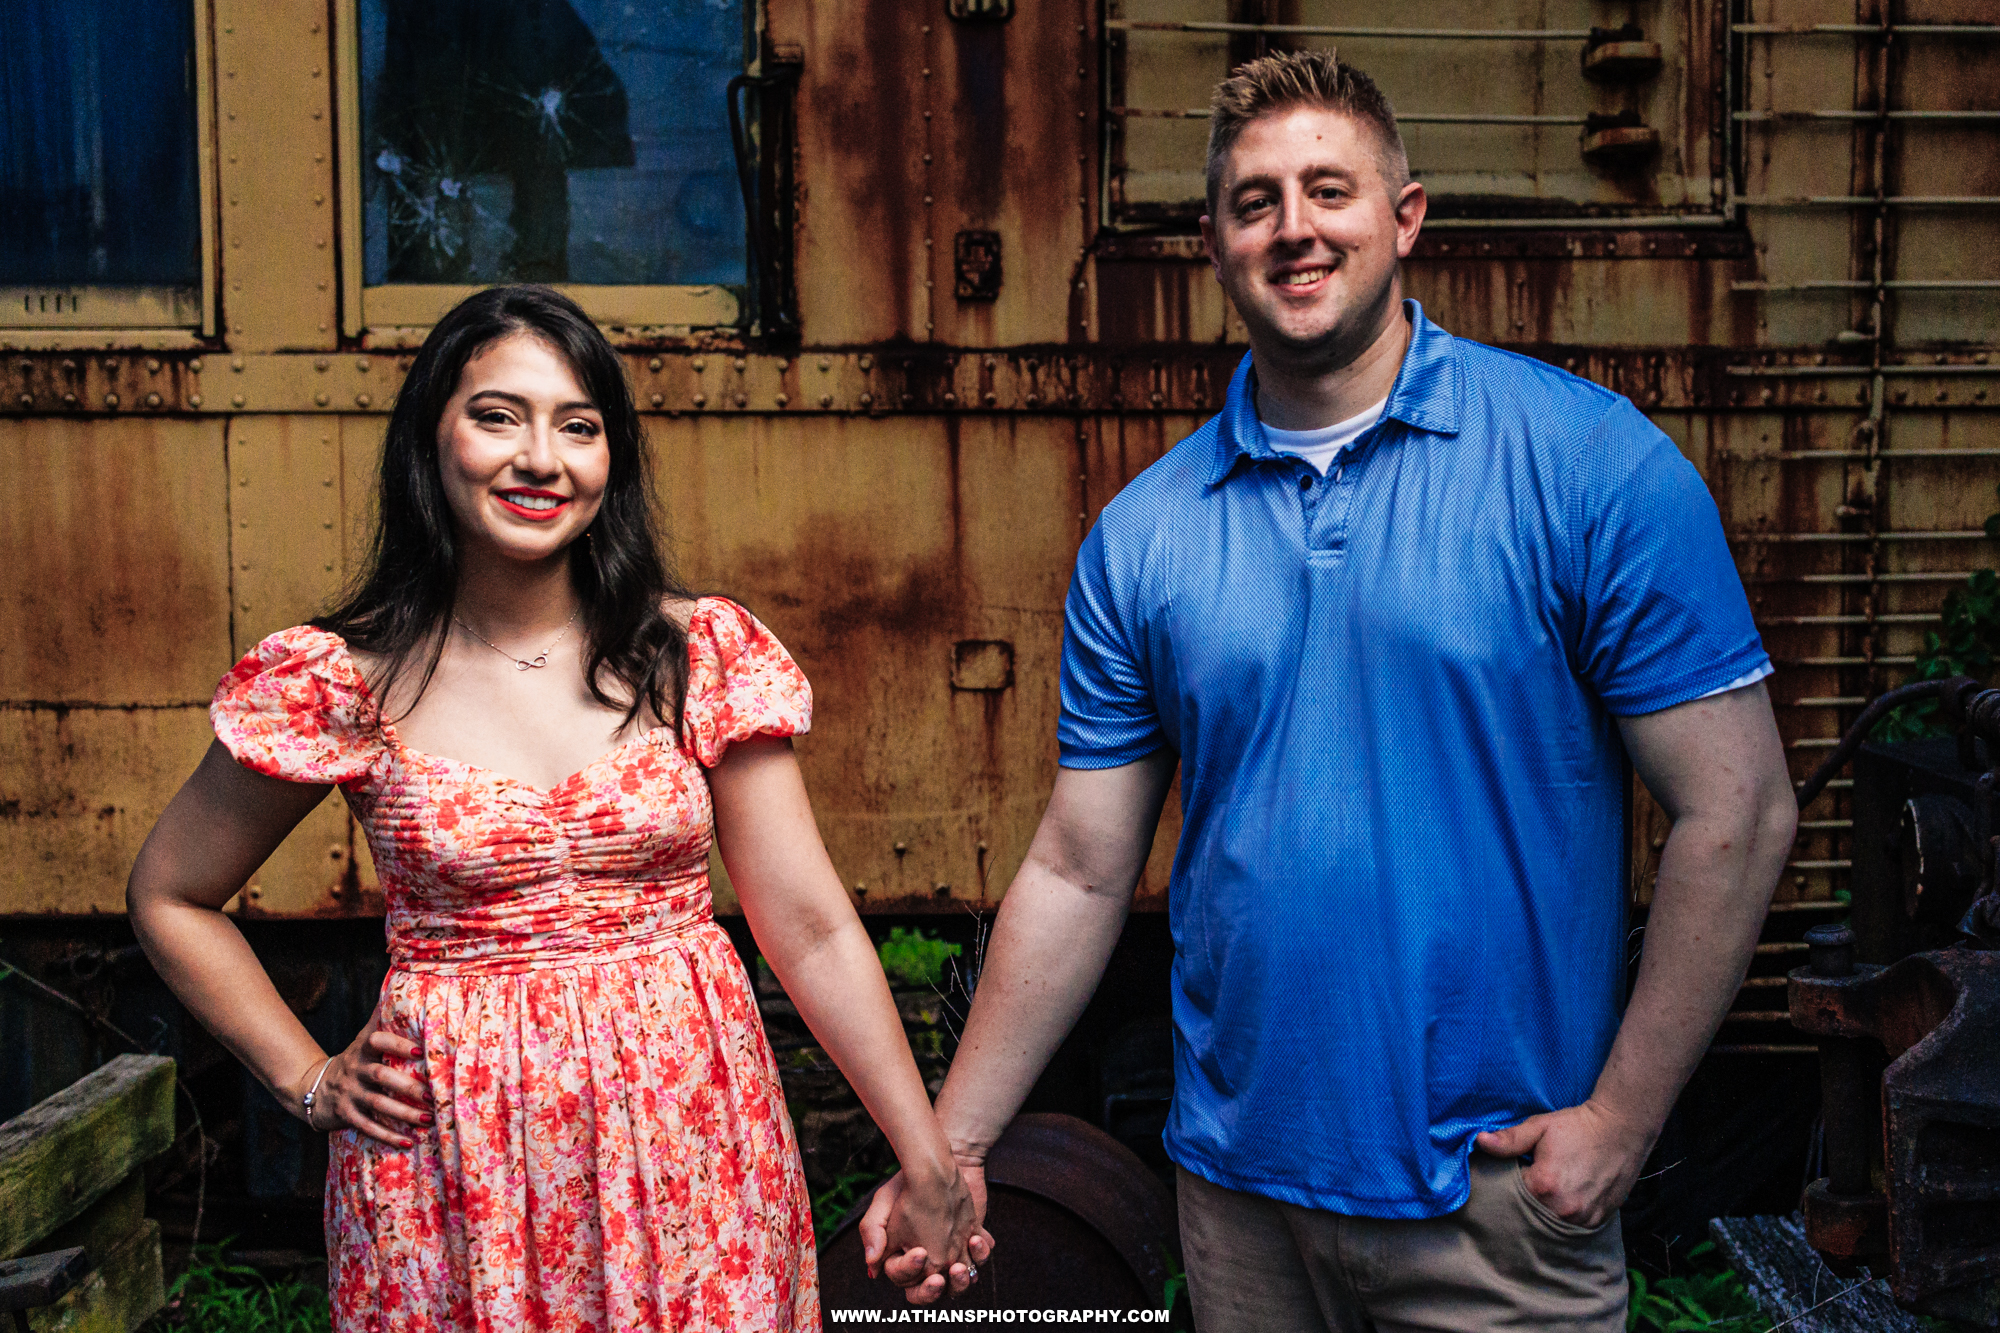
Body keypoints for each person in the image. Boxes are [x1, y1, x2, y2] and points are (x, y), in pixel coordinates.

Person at [863, 52, 1797, 1331]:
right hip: (1240, 1204)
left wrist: (1619, 1123)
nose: (1292, 228)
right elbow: (1082, 866)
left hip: (1497, 1204)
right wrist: (953, 1148)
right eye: (1255, 202)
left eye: (1327, 190)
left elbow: (1736, 810)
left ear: (1402, 219)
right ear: (1214, 242)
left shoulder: (1586, 464)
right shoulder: (1144, 536)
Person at [127, 285, 982, 1330]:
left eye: (578, 427)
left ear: (609, 460)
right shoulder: (344, 682)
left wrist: (926, 1156)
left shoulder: (693, 654)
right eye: (498, 415)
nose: (541, 458)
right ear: (430, 439)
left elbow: (804, 923)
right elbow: (172, 894)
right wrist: (305, 1076)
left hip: (691, 1147)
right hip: (451, 1170)